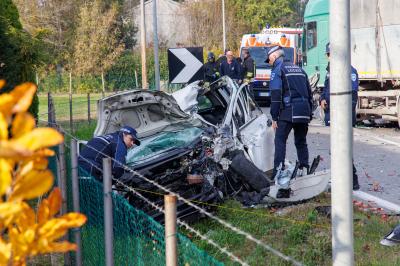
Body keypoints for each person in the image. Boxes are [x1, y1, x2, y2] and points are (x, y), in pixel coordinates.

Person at [267, 45, 313, 197]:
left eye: (270, 60)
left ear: (274, 57)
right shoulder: (300, 69)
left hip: (288, 111)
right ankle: (305, 169)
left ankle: (277, 171)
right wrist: (309, 113)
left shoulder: (278, 70)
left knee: (280, 140)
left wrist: (274, 117)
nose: (270, 63)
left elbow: (275, 95)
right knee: (301, 141)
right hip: (304, 111)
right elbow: (309, 92)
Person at [320, 42, 360, 190]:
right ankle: (344, 178)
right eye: (328, 55)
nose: (328, 57)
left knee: (341, 148)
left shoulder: (350, 71)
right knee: (336, 149)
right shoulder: (330, 71)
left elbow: (351, 96)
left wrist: (342, 114)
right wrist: (322, 99)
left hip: (343, 118)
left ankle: (351, 179)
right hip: (332, 115)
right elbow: (326, 89)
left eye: (330, 55)